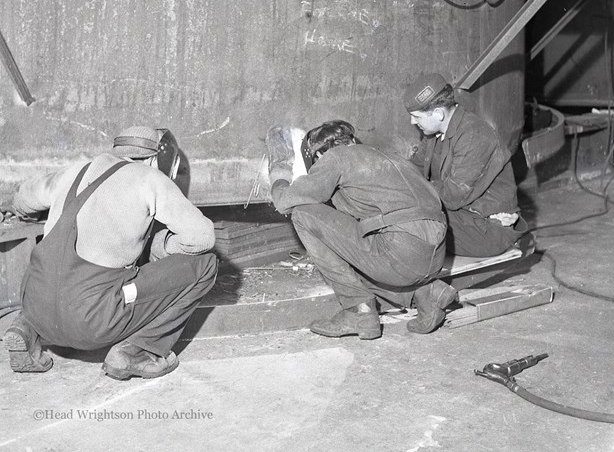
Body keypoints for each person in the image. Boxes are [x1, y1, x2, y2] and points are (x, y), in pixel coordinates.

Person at [2, 126, 217, 380]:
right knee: (206, 265)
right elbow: (203, 237)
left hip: (35, 303)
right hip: (92, 320)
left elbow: (24, 198)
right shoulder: (150, 178)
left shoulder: (78, 169)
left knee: (55, 274)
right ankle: (138, 352)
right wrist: (162, 245)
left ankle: (27, 328)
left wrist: (20, 211)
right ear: (152, 159)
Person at [266, 120, 456, 339]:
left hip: (401, 254)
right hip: (434, 257)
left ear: (319, 158)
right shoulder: (390, 159)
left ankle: (359, 311)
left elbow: (284, 202)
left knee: (303, 215)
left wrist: (278, 175)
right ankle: (426, 294)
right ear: (352, 141)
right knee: (352, 255)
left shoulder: (335, 158)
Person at [403, 72, 529, 258]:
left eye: (417, 116)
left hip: (486, 228)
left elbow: (452, 196)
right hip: (463, 218)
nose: (412, 122)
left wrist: (413, 187)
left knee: (407, 217)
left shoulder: (474, 135)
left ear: (438, 114)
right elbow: (412, 170)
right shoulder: (434, 134)